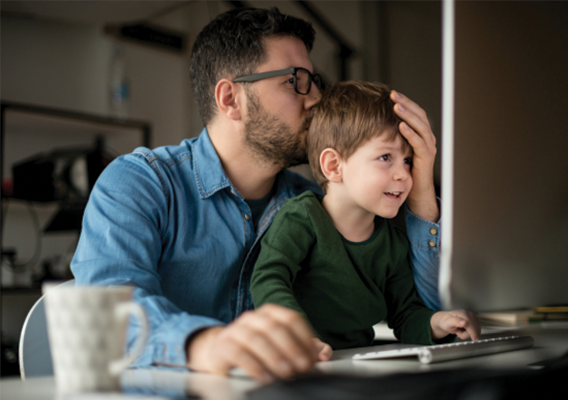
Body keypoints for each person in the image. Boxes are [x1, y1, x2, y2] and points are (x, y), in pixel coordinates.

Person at [71, 7, 441, 382]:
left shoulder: (320, 205)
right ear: (231, 98)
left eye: (314, 81)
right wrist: (207, 344)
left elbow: (424, 311)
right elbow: (108, 318)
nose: (314, 99)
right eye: (295, 81)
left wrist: (422, 188)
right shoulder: (141, 184)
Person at [250, 81, 479, 351]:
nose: (403, 175)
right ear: (333, 166)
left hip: (357, 366)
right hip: (298, 362)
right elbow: (267, 277)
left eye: (407, 160)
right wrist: (298, 336)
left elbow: (405, 316)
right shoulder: (300, 218)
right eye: (385, 157)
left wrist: (439, 323)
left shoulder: (392, 244)